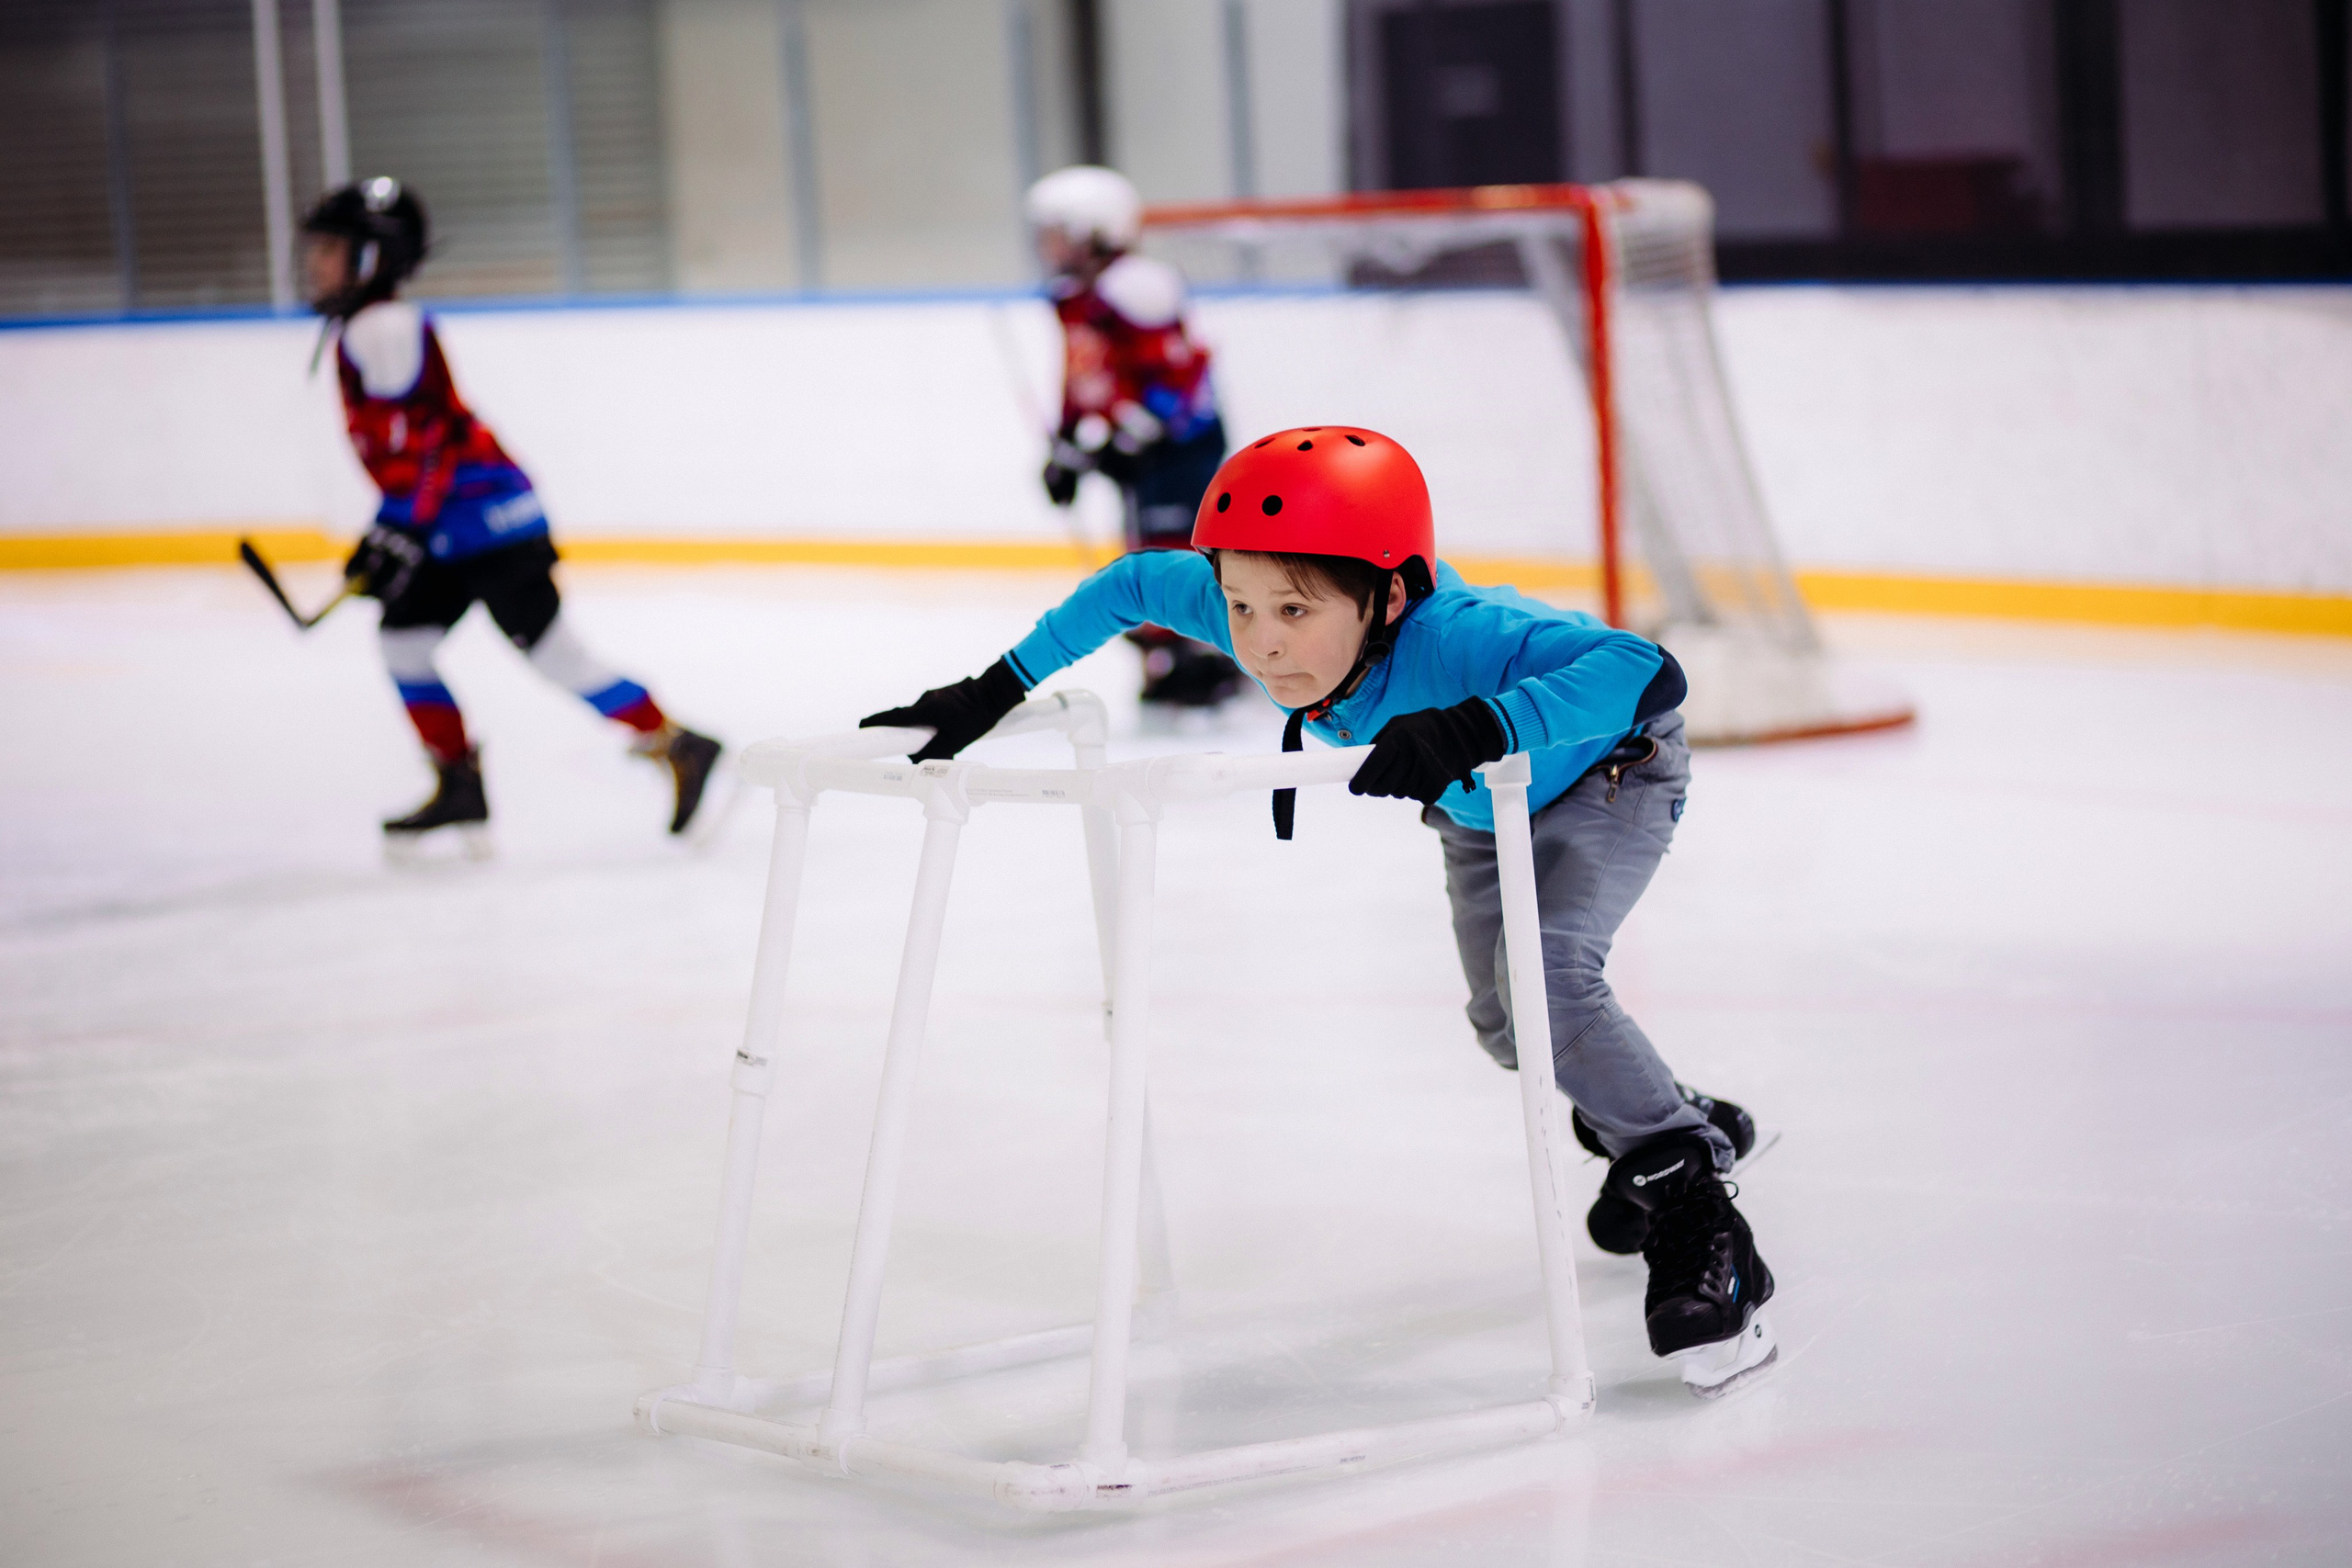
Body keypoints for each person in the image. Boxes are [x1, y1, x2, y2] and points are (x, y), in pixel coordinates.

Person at [862, 426, 1777, 1396]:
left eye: (1292, 609)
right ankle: (1668, 1113)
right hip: (1478, 801)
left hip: (1603, 771)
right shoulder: (1259, 602)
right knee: (1508, 1030)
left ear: (1387, 595)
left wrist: (1478, 722)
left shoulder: (1461, 635)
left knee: (1546, 983)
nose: (1259, 639)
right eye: (1239, 605)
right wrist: (991, 693)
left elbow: (1645, 672)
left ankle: (1695, 1204)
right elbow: (1127, 584)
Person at [299, 177, 721, 846]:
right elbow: (409, 451)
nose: (315, 263)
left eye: (331, 249)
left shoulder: (384, 326)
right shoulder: (367, 328)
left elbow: (428, 438)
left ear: (374, 256)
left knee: (555, 656)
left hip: (489, 523)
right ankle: (459, 784)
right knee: (405, 643)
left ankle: (679, 743)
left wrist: (399, 527)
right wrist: (392, 528)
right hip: (448, 526)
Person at [1023, 165, 1243, 710]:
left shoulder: (1136, 289)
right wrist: (1068, 446)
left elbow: (1179, 379)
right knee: (1142, 547)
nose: (1045, 245)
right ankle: (1165, 654)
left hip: (1179, 449)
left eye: (1056, 232)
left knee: (1176, 548)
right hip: (1139, 447)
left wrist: (1137, 436)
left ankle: (1204, 654)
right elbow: (1084, 374)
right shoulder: (1078, 297)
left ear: (1092, 231)